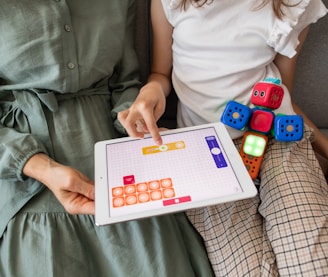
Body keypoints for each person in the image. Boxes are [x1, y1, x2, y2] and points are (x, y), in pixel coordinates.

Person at [0, 1, 215, 276]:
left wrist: (134, 118)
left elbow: (123, 83)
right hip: (27, 177)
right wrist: (42, 167)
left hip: (117, 159)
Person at [118, 0, 328, 275]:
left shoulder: (295, 4)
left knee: (313, 259)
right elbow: (160, 73)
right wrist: (150, 92)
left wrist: (322, 147)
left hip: (278, 140)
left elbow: (281, 93)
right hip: (207, 154)